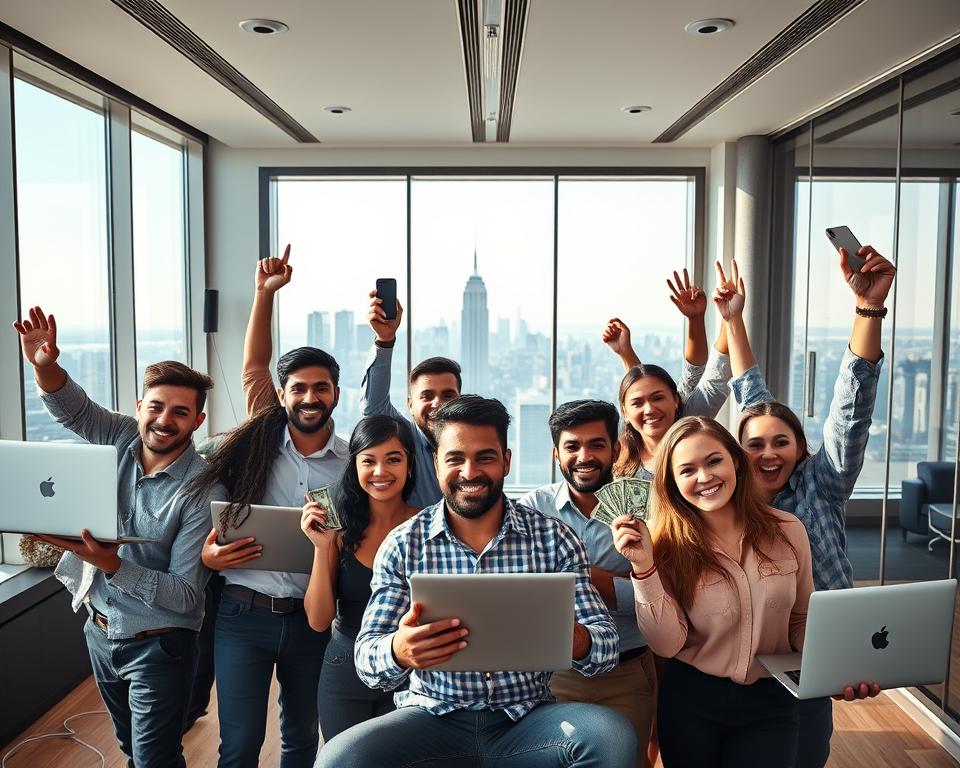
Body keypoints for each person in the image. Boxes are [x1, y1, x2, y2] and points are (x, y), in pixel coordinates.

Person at [317, 396, 636, 768]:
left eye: (484, 457)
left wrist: (578, 640)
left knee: (611, 735)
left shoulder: (554, 539)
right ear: (436, 463)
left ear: (506, 461)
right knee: (337, 759)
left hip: (527, 721)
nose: (469, 472)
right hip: (431, 719)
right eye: (455, 458)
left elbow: (606, 649)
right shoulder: (404, 543)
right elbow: (367, 659)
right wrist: (398, 650)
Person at [14, 305, 220, 768]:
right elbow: (74, 409)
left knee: (154, 759)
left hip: (161, 643)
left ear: (197, 422)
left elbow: (187, 596)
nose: (164, 420)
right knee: (131, 751)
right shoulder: (123, 436)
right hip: (99, 628)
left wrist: (111, 564)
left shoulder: (204, 490)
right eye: (156, 407)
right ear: (139, 408)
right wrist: (45, 366)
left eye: (180, 412)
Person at [715, 247, 894, 768]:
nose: (769, 452)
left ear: (800, 448)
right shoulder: (723, 500)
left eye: (782, 442)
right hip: (737, 661)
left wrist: (868, 310)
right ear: (737, 453)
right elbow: (749, 392)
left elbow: (851, 406)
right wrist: (733, 321)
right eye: (755, 444)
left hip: (810, 663)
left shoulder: (823, 486)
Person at [188, 249, 349, 768]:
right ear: (281, 395)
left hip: (312, 619)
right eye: (297, 388)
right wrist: (265, 294)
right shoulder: (262, 433)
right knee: (237, 744)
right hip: (242, 613)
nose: (308, 396)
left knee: (302, 739)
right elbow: (254, 363)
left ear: (335, 394)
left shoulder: (353, 462)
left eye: (319, 387)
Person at [613, 416, 823, 767]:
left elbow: (800, 619)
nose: (705, 477)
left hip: (772, 700)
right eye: (687, 470)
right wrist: (643, 568)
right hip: (691, 703)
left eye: (713, 461)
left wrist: (840, 665)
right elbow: (666, 644)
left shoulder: (790, 531)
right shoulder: (662, 546)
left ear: (736, 463)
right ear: (672, 483)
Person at [518, 399, 655, 767]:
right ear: (556, 454)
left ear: (615, 449)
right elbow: (525, 591)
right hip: (553, 673)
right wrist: (618, 581)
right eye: (572, 446)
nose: (584, 456)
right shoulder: (533, 509)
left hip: (627, 670)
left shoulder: (647, 505)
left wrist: (575, 577)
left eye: (596, 444)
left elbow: (657, 594)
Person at [301, 414, 419, 740]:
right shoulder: (338, 528)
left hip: (408, 669)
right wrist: (321, 547)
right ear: (355, 466)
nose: (380, 472)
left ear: (410, 465)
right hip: (345, 667)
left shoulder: (427, 528)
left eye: (393, 459)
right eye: (369, 461)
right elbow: (318, 620)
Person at [602, 269, 733, 479]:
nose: (650, 409)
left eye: (658, 398)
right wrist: (625, 352)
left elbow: (713, 377)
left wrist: (729, 318)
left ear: (675, 400)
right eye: (637, 404)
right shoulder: (621, 448)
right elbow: (639, 386)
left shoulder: (687, 427)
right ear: (625, 412)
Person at [363, 286, 462, 507]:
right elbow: (373, 406)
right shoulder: (404, 439)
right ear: (410, 404)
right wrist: (384, 339)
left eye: (448, 395)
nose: (437, 403)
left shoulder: (471, 445)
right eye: (426, 396)